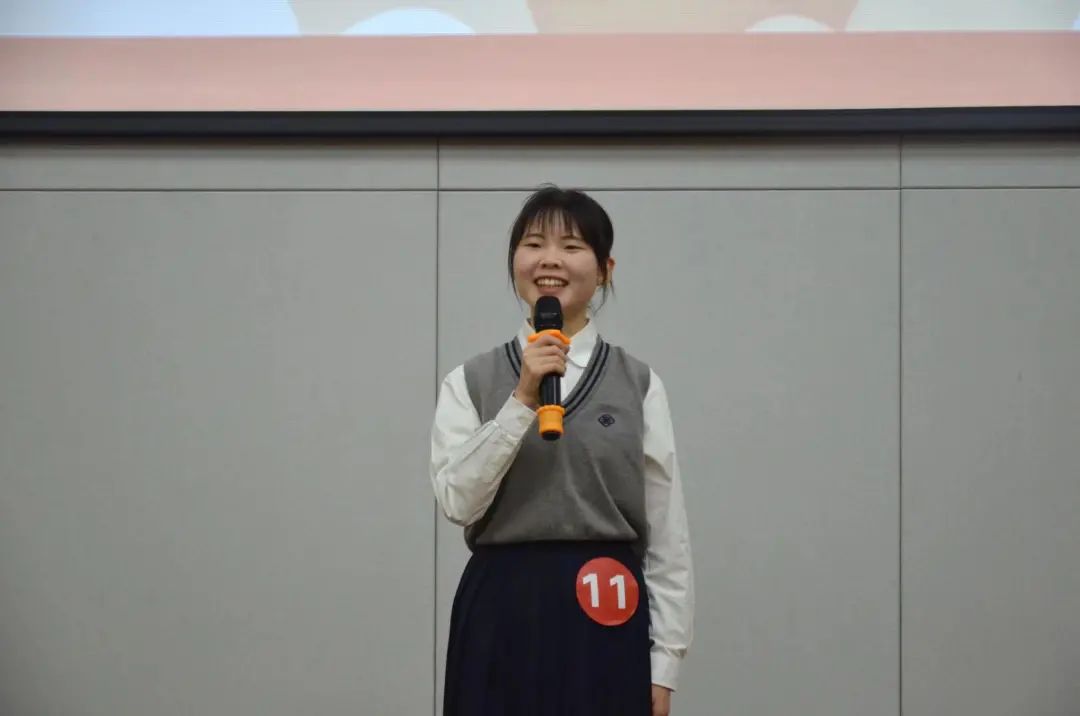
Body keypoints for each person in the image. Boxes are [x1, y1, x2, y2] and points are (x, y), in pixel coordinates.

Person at [430, 185, 694, 716]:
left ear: (605, 269)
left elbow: (667, 532)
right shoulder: (469, 381)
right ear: (514, 263)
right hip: (502, 608)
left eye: (571, 246)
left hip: (607, 603)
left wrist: (665, 661)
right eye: (533, 245)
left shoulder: (639, 384)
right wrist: (521, 400)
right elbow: (458, 502)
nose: (549, 260)